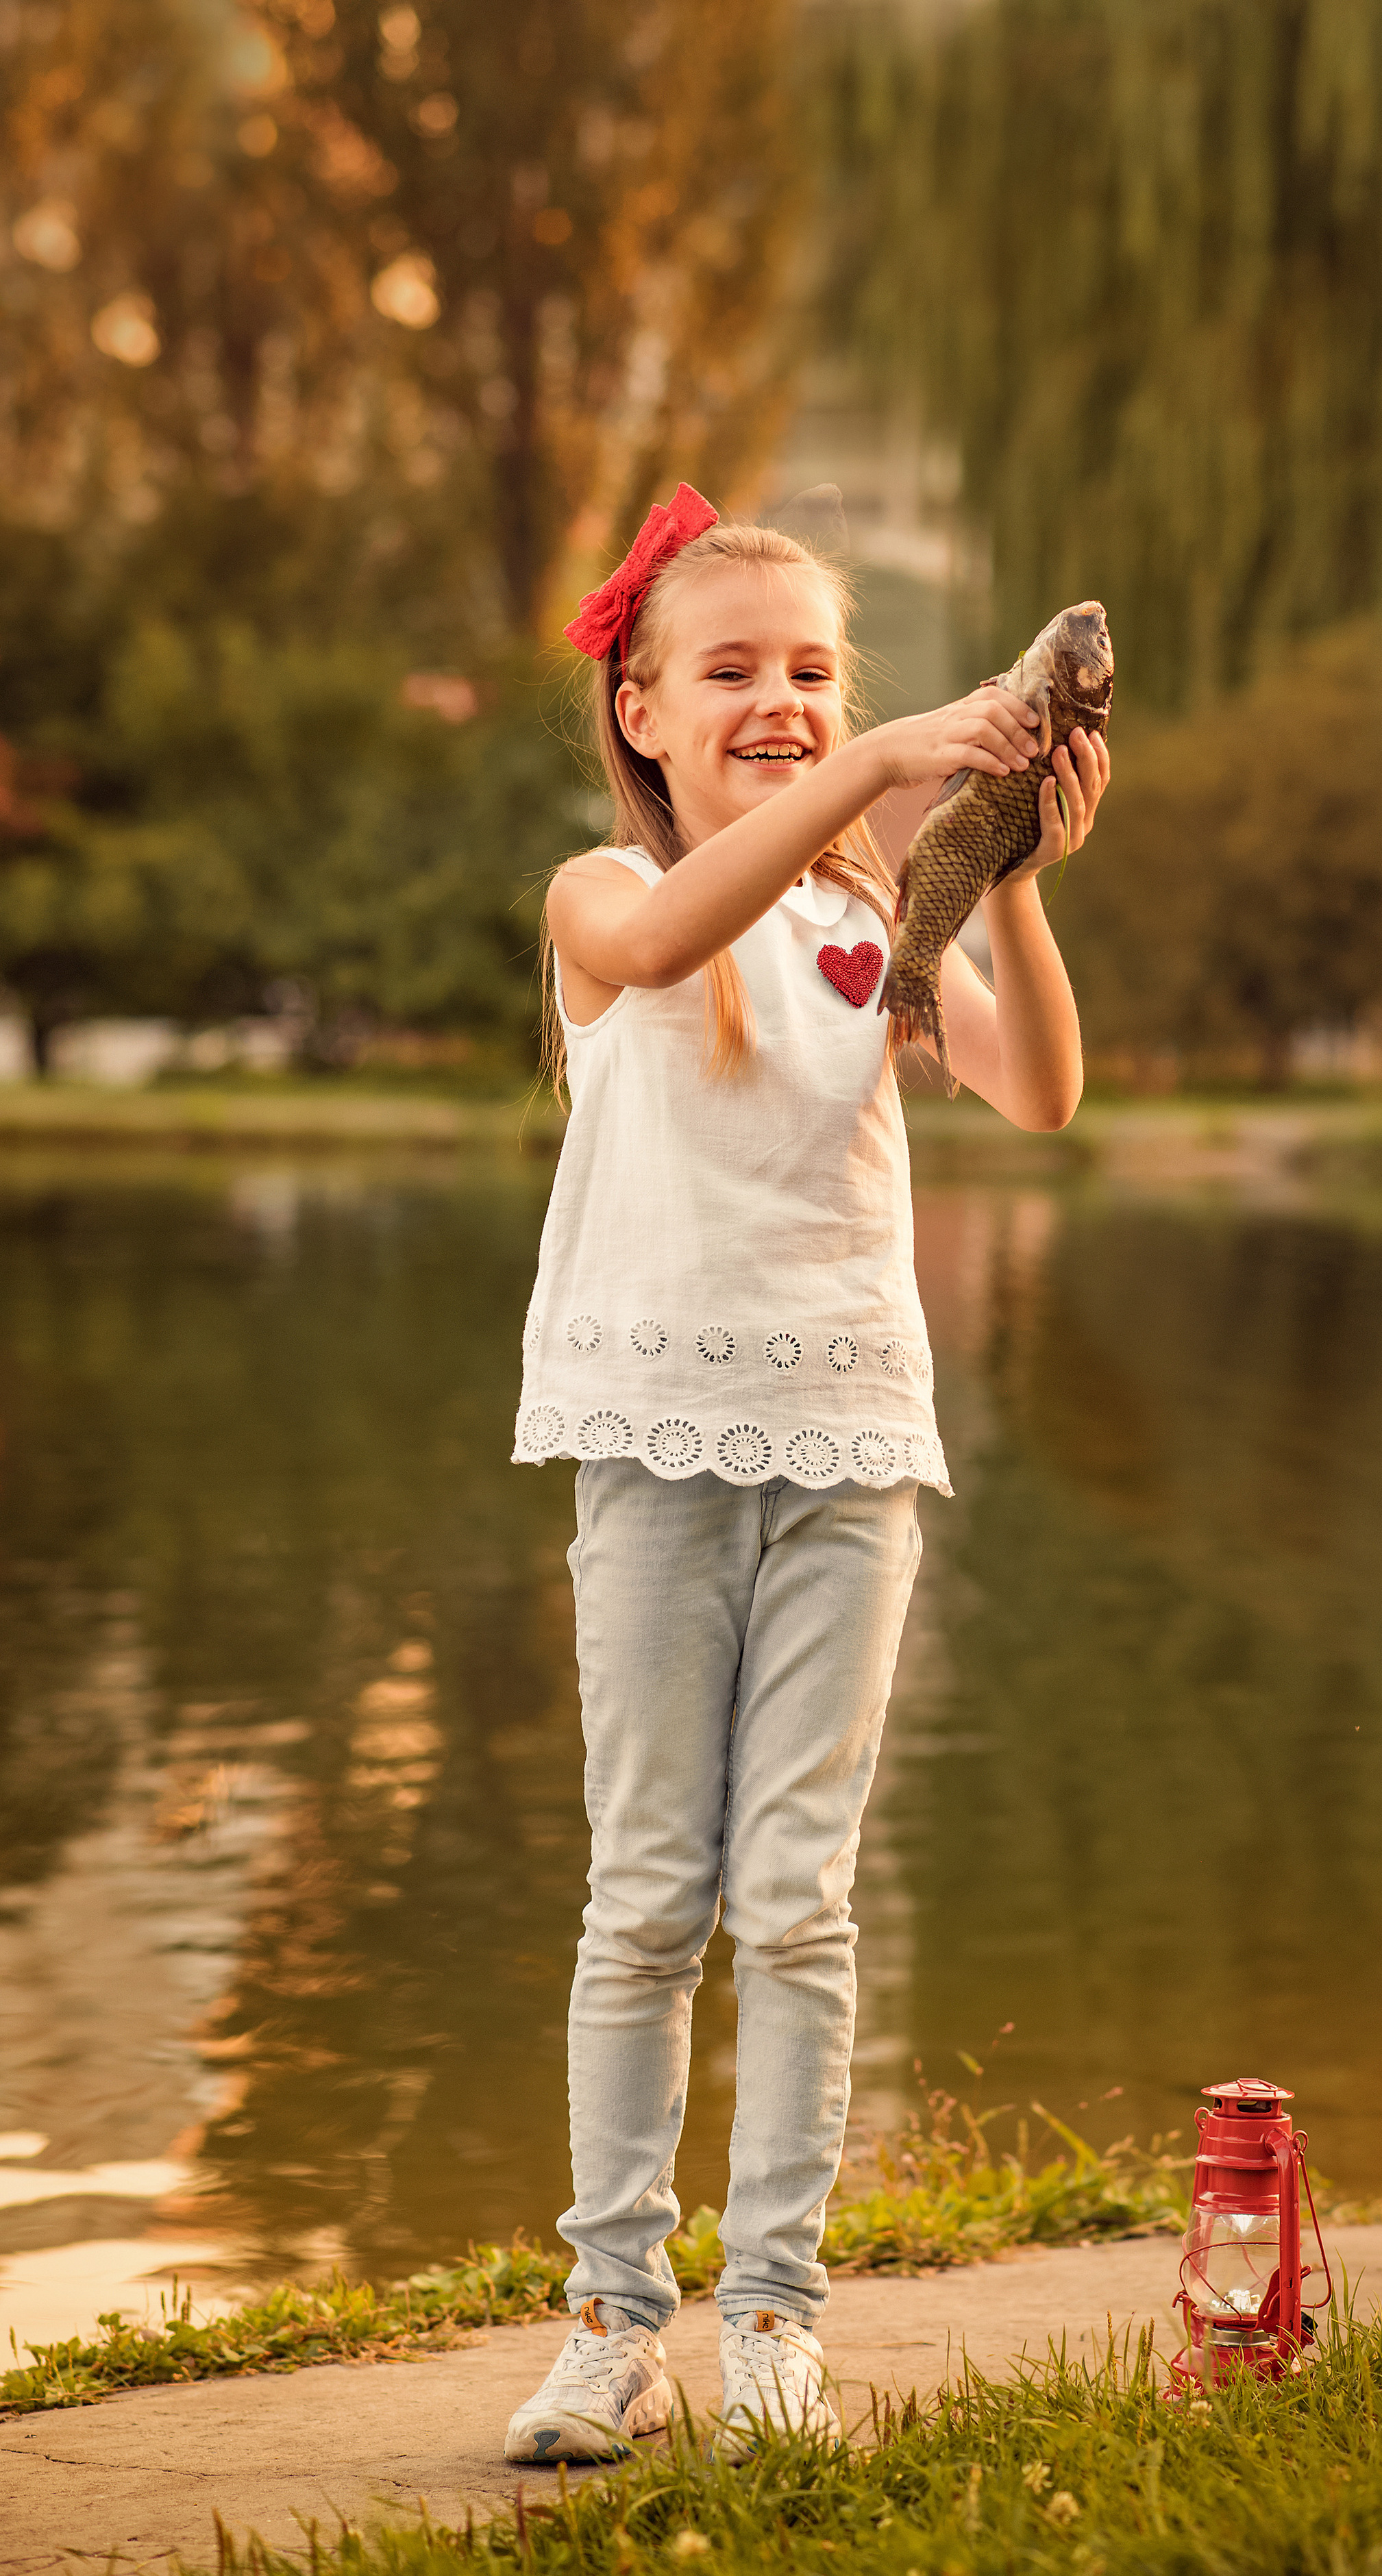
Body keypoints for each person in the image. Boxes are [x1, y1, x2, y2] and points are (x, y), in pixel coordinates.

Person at [502, 483, 1107, 2464]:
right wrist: (880, 753)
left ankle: (776, 2320)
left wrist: (999, 865)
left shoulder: (869, 921)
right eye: (732, 671)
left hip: (856, 1443)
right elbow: (685, 923)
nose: (780, 699)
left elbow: (1040, 1089)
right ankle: (613, 2317)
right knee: (648, 1892)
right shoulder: (603, 901)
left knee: (804, 1898)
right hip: (659, 1453)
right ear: (644, 713)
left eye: (816, 668)